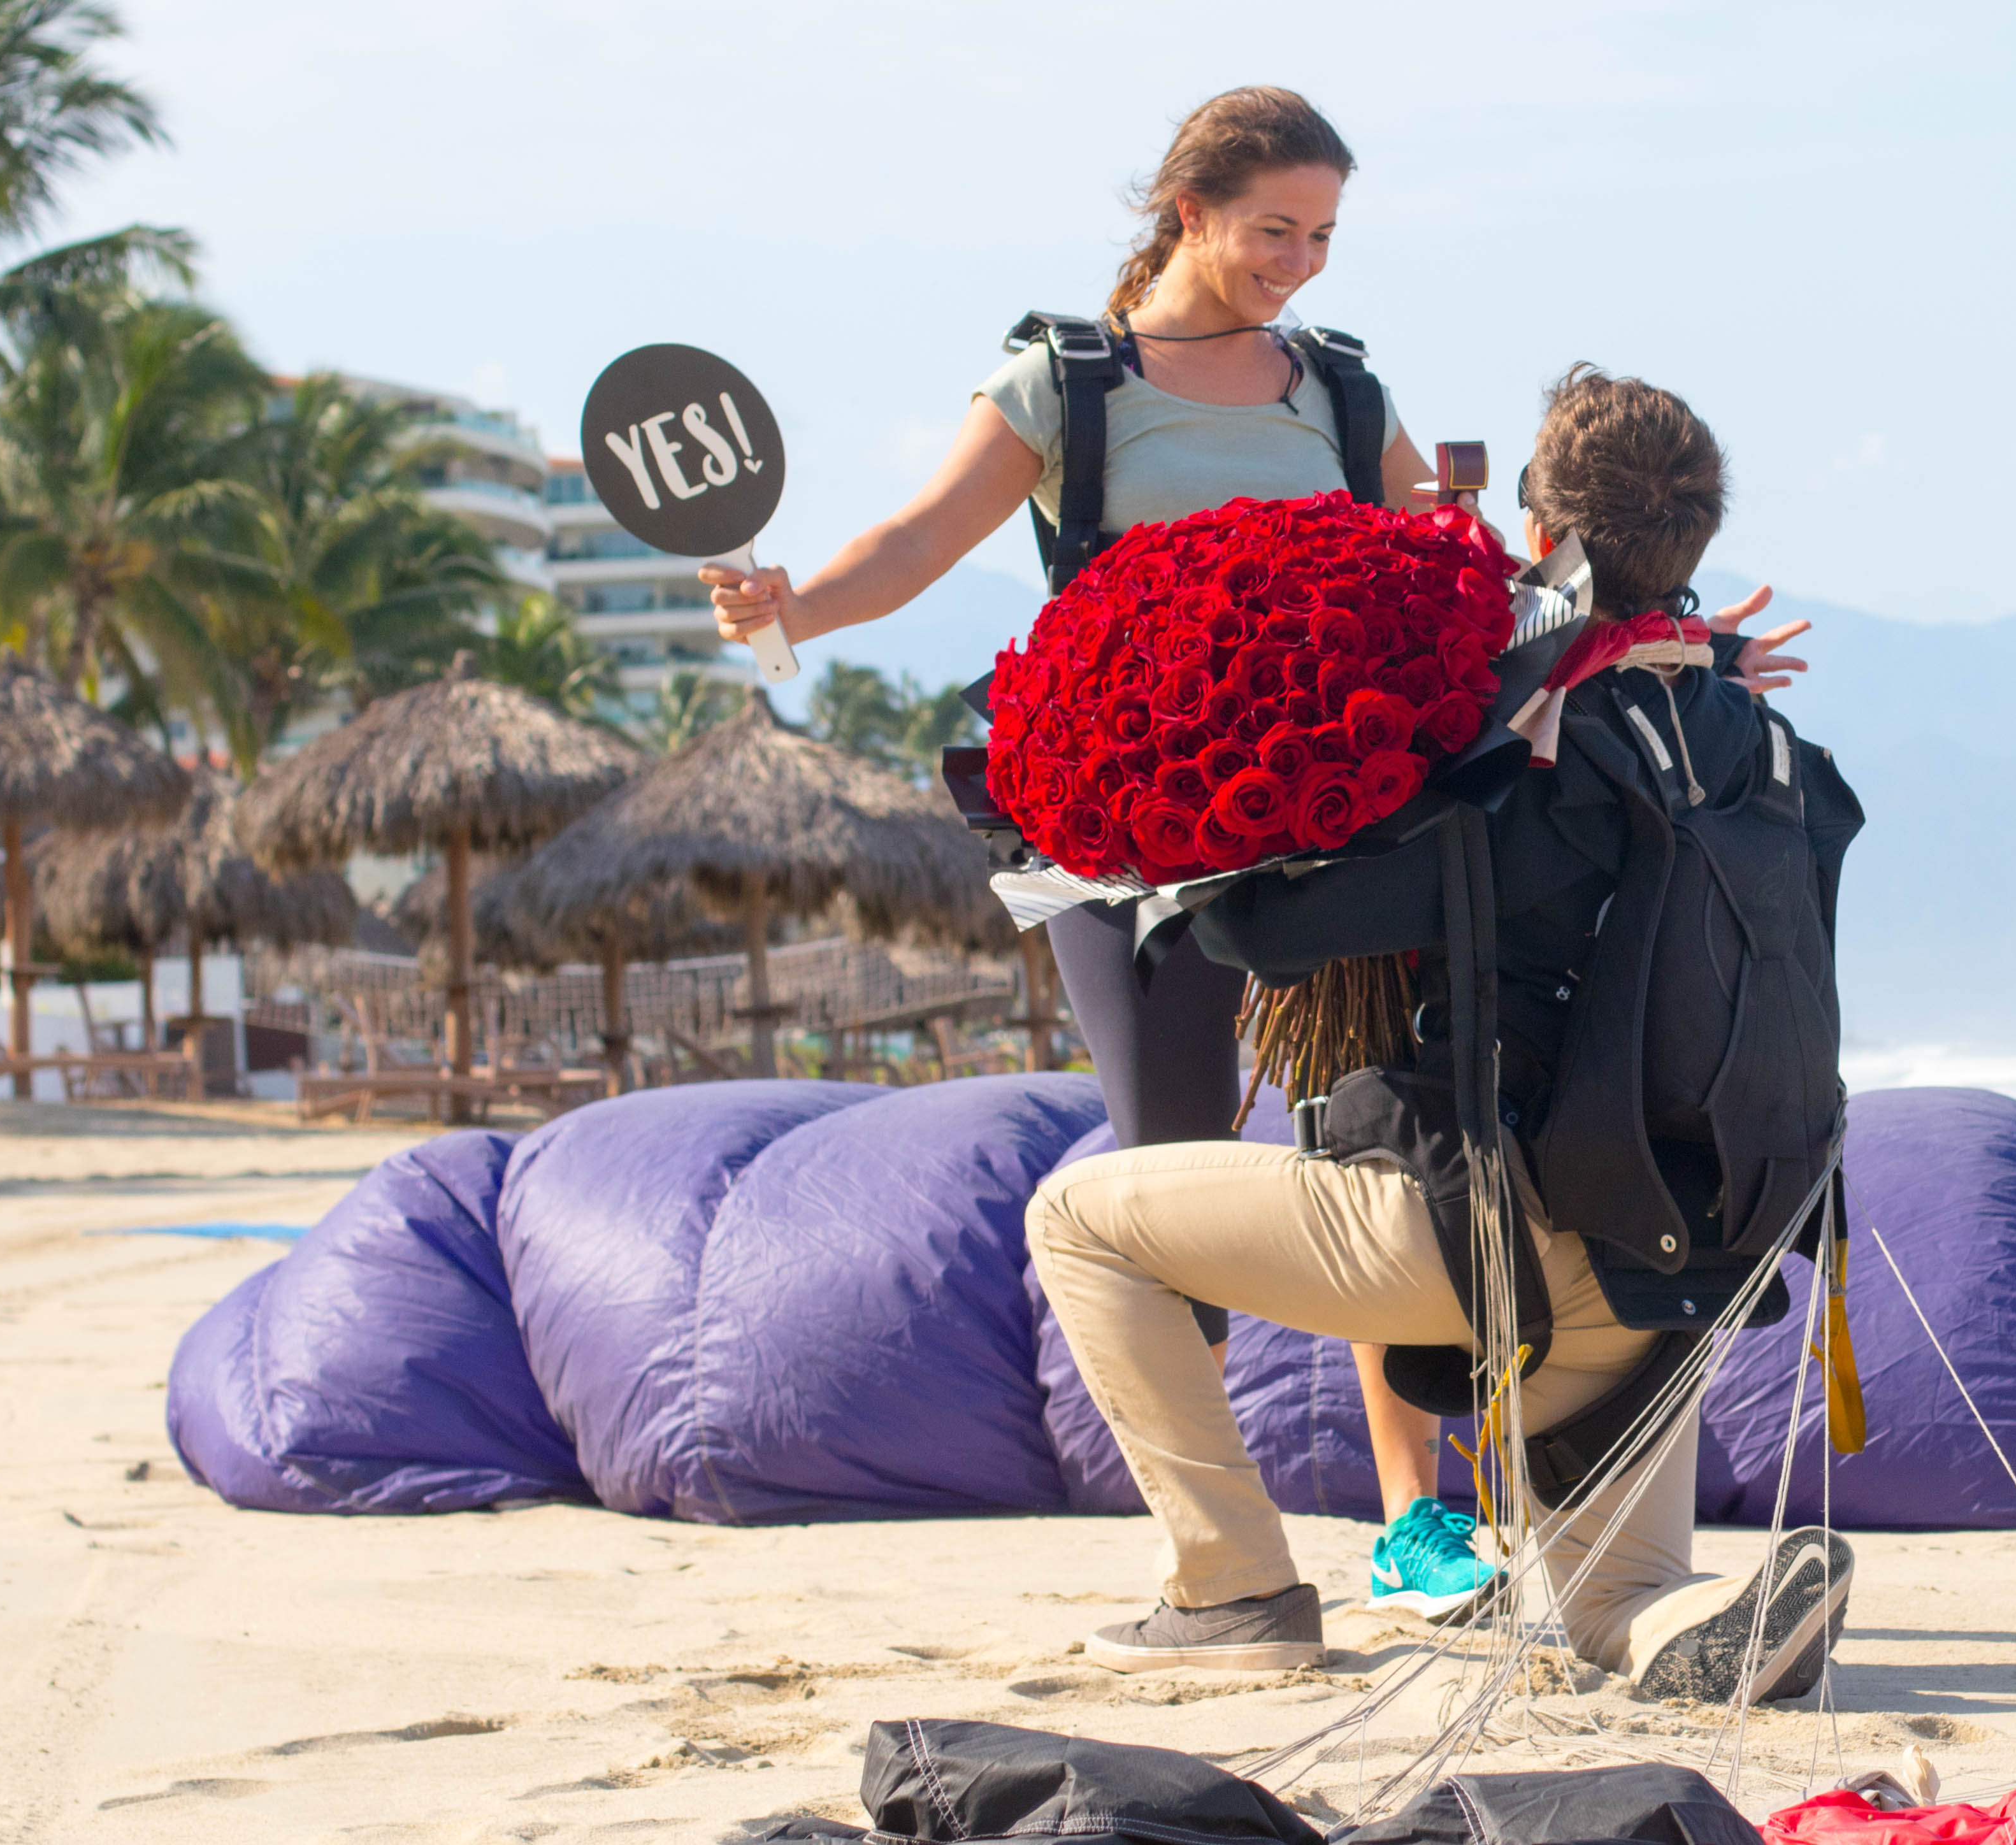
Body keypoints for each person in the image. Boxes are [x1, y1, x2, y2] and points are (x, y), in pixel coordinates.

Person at [705, 86, 1506, 1613]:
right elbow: (923, 538)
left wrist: (1649, 626)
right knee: (1172, 1169)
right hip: (1126, 834)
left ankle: (1420, 1517)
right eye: (1276, 228)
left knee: (1378, 1140)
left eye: (1326, 234)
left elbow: (1455, 557)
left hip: (1340, 822)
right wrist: (792, 604)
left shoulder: (1334, 384)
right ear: (1187, 207)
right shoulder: (1067, 380)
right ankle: (1219, 1554)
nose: (1302, 263)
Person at [1025, 368, 1855, 1702]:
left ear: (1545, 529)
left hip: (1487, 1235)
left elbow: (1262, 943)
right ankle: (1687, 1619)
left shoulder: (1526, 750)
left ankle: (1231, 1585)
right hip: (1688, 1260)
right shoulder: (1762, 747)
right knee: (1612, 1603)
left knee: (1078, 1216)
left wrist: (1189, 825)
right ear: (1696, 540)